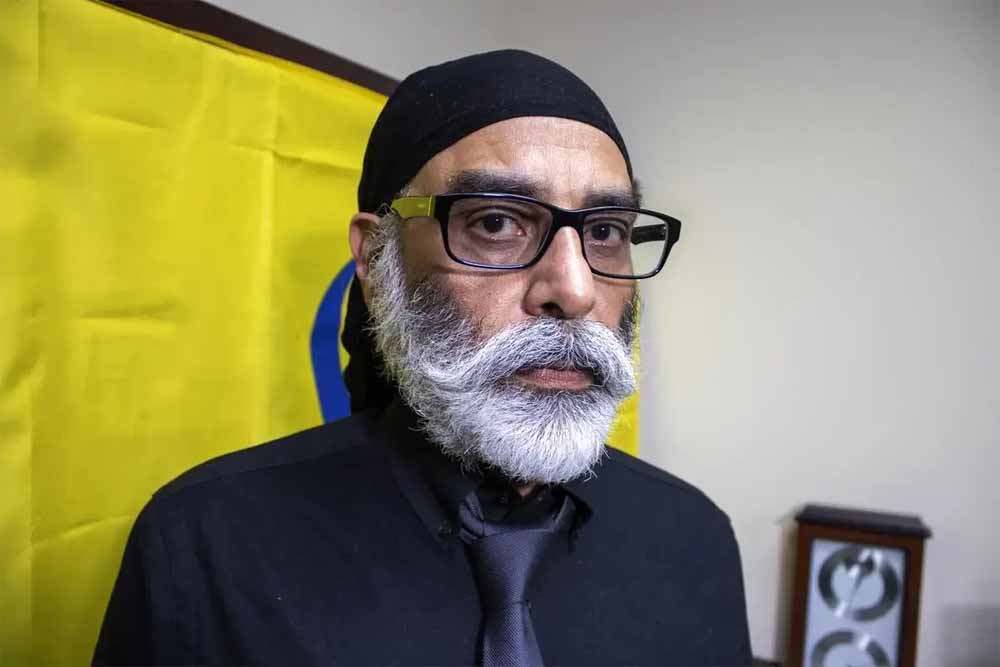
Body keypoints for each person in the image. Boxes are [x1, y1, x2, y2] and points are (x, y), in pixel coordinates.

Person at [94, 49, 752, 666]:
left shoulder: (694, 537)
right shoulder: (206, 543)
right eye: (495, 222)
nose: (574, 290)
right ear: (376, 258)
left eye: (605, 231)